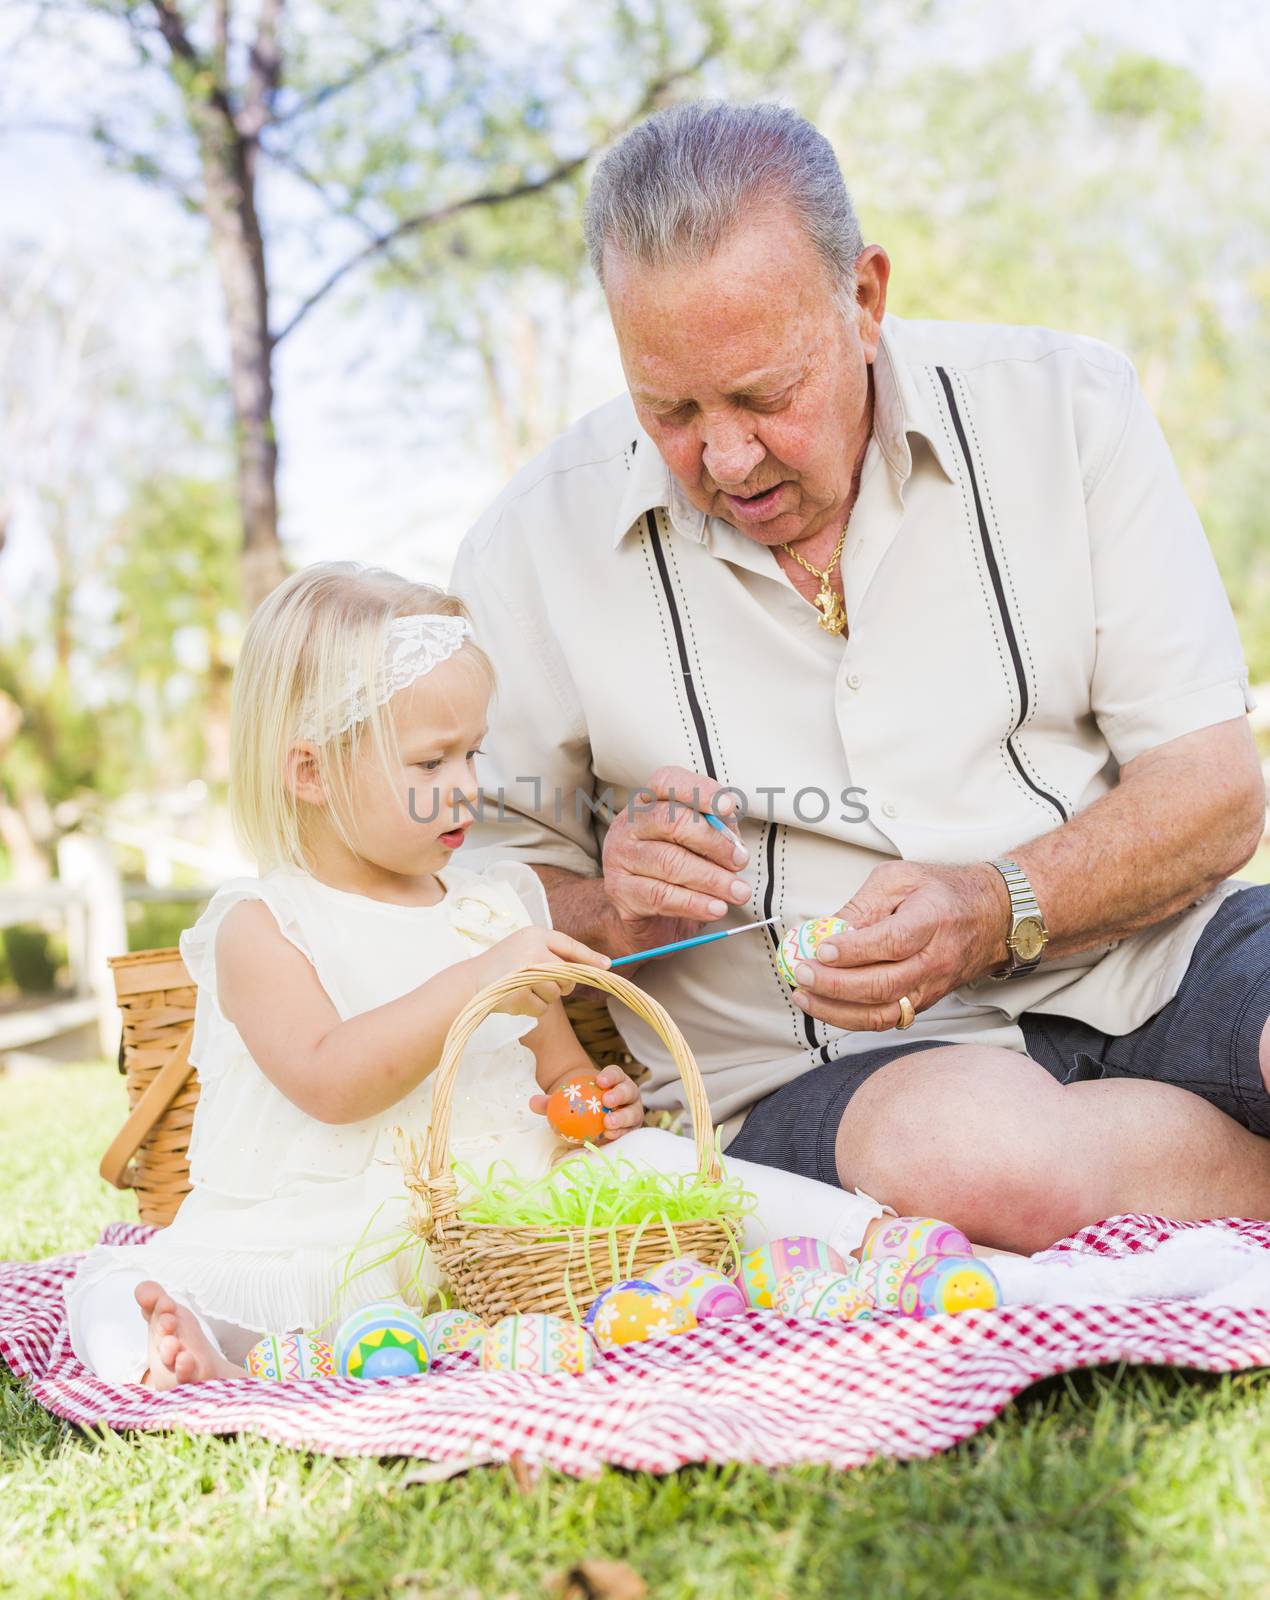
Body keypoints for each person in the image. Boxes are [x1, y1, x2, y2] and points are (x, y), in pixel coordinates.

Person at [451, 100, 1270, 1254]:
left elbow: (1216, 791)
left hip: (1152, 957)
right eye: (670, 409)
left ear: (865, 299)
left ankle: (1157, 1167)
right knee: (986, 1161)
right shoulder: (530, 543)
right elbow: (469, 904)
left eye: (764, 395)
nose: (725, 459)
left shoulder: (1068, 408)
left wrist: (994, 904)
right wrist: (615, 903)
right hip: (816, 1072)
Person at [64, 562, 903, 1390]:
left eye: (473, 755)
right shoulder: (264, 925)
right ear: (311, 772)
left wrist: (597, 1109)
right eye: (431, 766)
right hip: (349, 1222)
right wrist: (478, 979)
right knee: (121, 1290)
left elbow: (560, 1079)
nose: (465, 790)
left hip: (507, 1224)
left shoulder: (490, 905)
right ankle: (192, 1351)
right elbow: (329, 1080)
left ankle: (879, 1245)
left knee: (665, 1160)